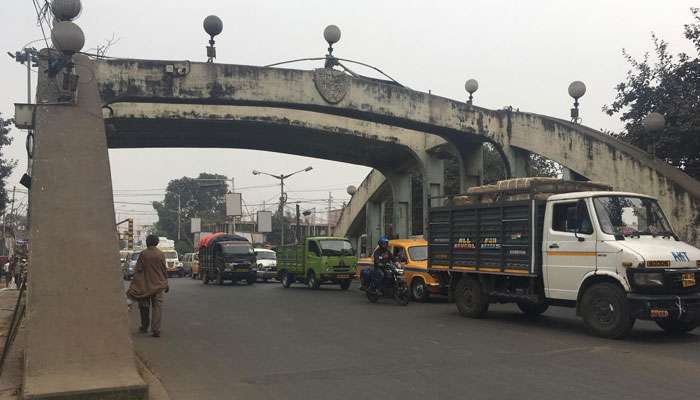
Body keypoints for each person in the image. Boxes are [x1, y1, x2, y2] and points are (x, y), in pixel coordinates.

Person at [127, 235, 169, 337]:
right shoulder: (160, 254)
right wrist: (166, 283)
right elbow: (164, 270)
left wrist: (134, 284)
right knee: (157, 308)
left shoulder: (143, 254)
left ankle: (144, 326)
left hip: (145, 286)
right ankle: (156, 329)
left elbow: (138, 269)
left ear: (147, 242)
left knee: (144, 307)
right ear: (156, 242)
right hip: (158, 285)